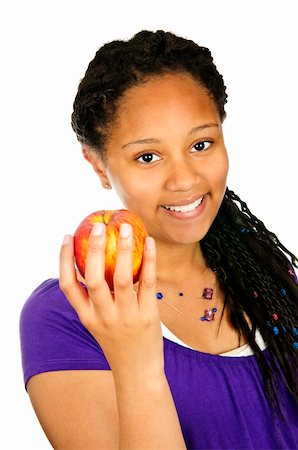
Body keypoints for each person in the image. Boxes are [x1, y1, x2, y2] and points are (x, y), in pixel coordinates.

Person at [19, 30, 298, 450]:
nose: (185, 179)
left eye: (201, 144)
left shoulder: (276, 278)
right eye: (148, 157)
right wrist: (137, 362)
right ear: (98, 164)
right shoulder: (65, 316)